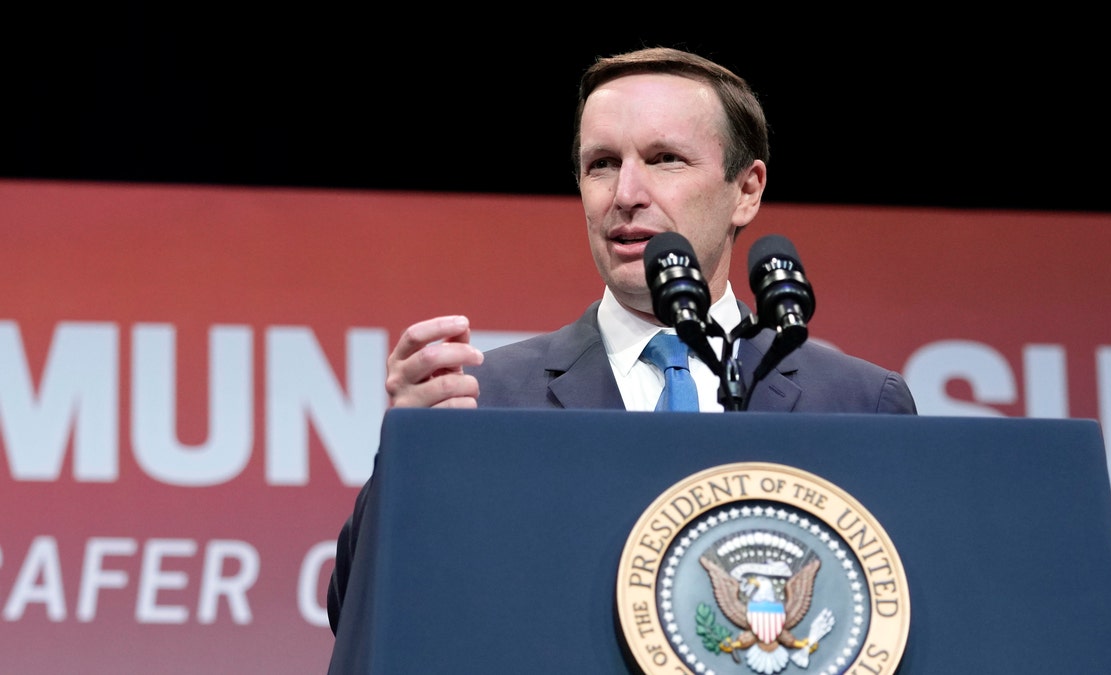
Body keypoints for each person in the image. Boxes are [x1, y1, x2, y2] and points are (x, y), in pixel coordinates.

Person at [326, 46, 917, 634]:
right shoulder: (484, 399)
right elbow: (360, 613)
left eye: (665, 159)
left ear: (747, 189)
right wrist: (410, 457)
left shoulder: (858, 402)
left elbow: (904, 618)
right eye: (602, 164)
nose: (625, 193)